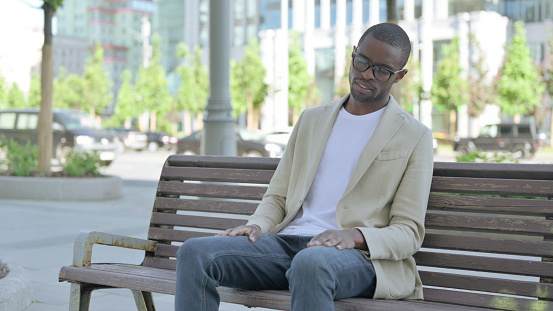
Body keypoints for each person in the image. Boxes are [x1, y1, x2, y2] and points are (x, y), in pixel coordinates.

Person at [175, 22, 434, 311]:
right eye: (362, 62)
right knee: (195, 252)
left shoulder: (414, 135)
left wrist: (355, 236)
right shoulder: (312, 120)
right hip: (287, 245)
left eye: (382, 70)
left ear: (399, 76)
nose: (366, 74)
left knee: (310, 263)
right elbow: (278, 196)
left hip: (360, 259)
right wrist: (256, 225)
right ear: (353, 55)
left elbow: (409, 231)